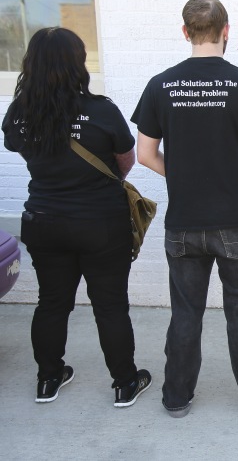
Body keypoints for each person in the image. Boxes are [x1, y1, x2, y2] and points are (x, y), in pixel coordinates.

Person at [132, 0, 238, 418]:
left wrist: (184, 179)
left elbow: (145, 154)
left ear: (185, 32)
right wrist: (234, 177)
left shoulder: (160, 85)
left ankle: (176, 398)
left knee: (185, 313)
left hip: (184, 220)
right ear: (226, 31)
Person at [2, 27, 151, 406]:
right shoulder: (101, 110)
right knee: (110, 304)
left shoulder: (19, 112)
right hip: (100, 223)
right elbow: (124, 162)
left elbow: (24, 151)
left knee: (52, 301)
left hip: (43, 221)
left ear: (31, 64)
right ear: (79, 62)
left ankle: (48, 379)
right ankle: (124, 383)